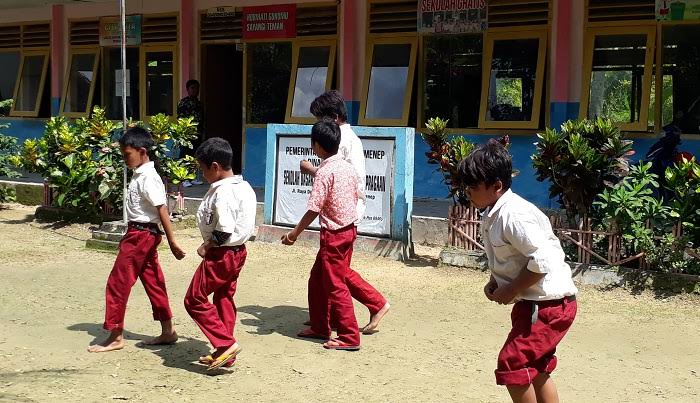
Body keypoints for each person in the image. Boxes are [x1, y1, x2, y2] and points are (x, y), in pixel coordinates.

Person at [457, 141, 578, 403]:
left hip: (548, 306)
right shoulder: (493, 212)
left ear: (497, 186)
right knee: (535, 368)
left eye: (473, 186)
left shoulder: (515, 215)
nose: (468, 192)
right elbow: (512, 257)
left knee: (512, 363)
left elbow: (543, 261)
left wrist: (511, 288)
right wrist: (496, 280)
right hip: (534, 303)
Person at [299, 90, 390, 335]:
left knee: (335, 274)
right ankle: (322, 320)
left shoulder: (345, 140)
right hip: (344, 215)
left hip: (341, 218)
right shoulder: (345, 138)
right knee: (323, 274)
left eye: (321, 119)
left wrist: (312, 171)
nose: (318, 125)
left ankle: (373, 305)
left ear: (334, 117)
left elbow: (337, 179)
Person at [88, 127, 185, 353]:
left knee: (117, 283)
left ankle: (115, 335)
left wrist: (172, 242)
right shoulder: (140, 173)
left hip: (140, 235)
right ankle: (168, 330)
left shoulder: (148, 177)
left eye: (127, 155)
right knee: (154, 282)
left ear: (142, 151)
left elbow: (162, 210)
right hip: (142, 234)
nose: (124, 160)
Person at [282, 119, 361, 351]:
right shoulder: (346, 167)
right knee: (317, 279)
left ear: (316, 146)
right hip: (348, 229)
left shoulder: (325, 172)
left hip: (334, 235)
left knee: (336, 285)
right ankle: (319, 326)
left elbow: (314, 208)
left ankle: (349, 336)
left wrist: (294, 233)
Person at [184, 137, 257, 370]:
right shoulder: (244, 187)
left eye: (203, 170)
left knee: (194, 298)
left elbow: (223, 230)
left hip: (221, 254)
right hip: (237, 253)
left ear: (215, 167)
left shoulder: (224, 192)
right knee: (223, 297)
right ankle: (225, 351)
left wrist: (206, 247)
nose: (202, 175)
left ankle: (225, 344)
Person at [177, 79, 205, 187]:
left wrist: (201, 133)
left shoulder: (199, 104)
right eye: (193, 88)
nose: (195, 90)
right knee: (185, 155)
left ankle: (192, 177)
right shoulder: (183, 103)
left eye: (197, 88)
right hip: (186, 135)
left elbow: (202, 120)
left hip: (197, 134)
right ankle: (183, 178)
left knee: (195, 156)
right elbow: (181, 120)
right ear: (187, 89)